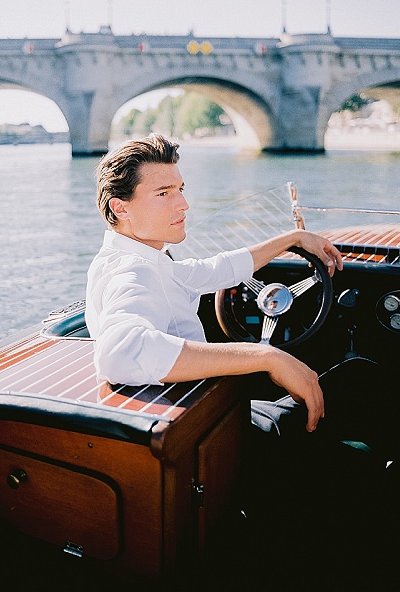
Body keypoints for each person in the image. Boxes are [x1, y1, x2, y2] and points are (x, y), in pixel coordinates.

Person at [85, 133, 378, 445]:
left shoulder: (139, 260)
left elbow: (216, 270)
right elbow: (120, 354)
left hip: (201, 417)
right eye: (163, 193)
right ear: (121, 208)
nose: (183, 204)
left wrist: (290, 240)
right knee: (359, 377)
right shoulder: (133, 270)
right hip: (208, 434)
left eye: (180, 189)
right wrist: (267, 356)